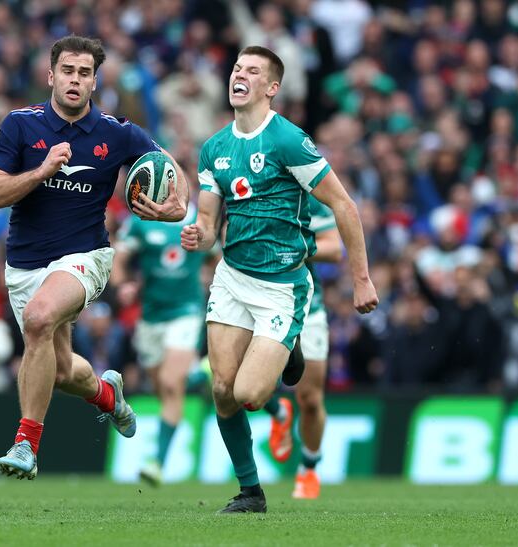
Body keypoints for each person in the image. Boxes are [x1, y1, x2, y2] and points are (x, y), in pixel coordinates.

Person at [0, 35, 188, 480]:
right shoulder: (20, 125)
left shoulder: (117, 132)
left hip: (85, 257)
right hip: (25, 265)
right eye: (68, 71)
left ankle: (26, 444)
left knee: (39, 319)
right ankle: (107, 395)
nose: (75, 80)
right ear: (51, 76)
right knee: (60, 371)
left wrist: (178, 205)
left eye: (85, 73)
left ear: (95, 82)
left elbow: (169, 166)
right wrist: (41, 171)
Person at [181, 45, 377, 513]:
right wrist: (198, 234)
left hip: (282, 286)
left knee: (250, 395)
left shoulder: (288, 140)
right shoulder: (214, 148)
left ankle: (289, 351)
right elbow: (208, 224)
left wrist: (361, 279)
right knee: (222, 390)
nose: (239, 75)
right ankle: (251, 492)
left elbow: (344, 205)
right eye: (236, 68)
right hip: (232, 277)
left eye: (252, 71)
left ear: (271, 88)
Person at [111, 203, 211, 486]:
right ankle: (202, 374)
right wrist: (123, 286)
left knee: (170, 381)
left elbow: (216, 254)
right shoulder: (140, 221)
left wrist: (212, 279)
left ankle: (157, 462)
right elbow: (119, 258)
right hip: (151, 315)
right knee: (163, 390)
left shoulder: (199, 218)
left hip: (186, 310)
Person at [262, 195, 342, 500]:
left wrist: (291, 247)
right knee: (236, 378)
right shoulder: (249, 189)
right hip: (260, 303)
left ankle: (309, 466)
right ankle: (278, 412)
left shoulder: (309, 200)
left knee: (309, 398)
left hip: (307, 306)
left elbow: (334, 249)